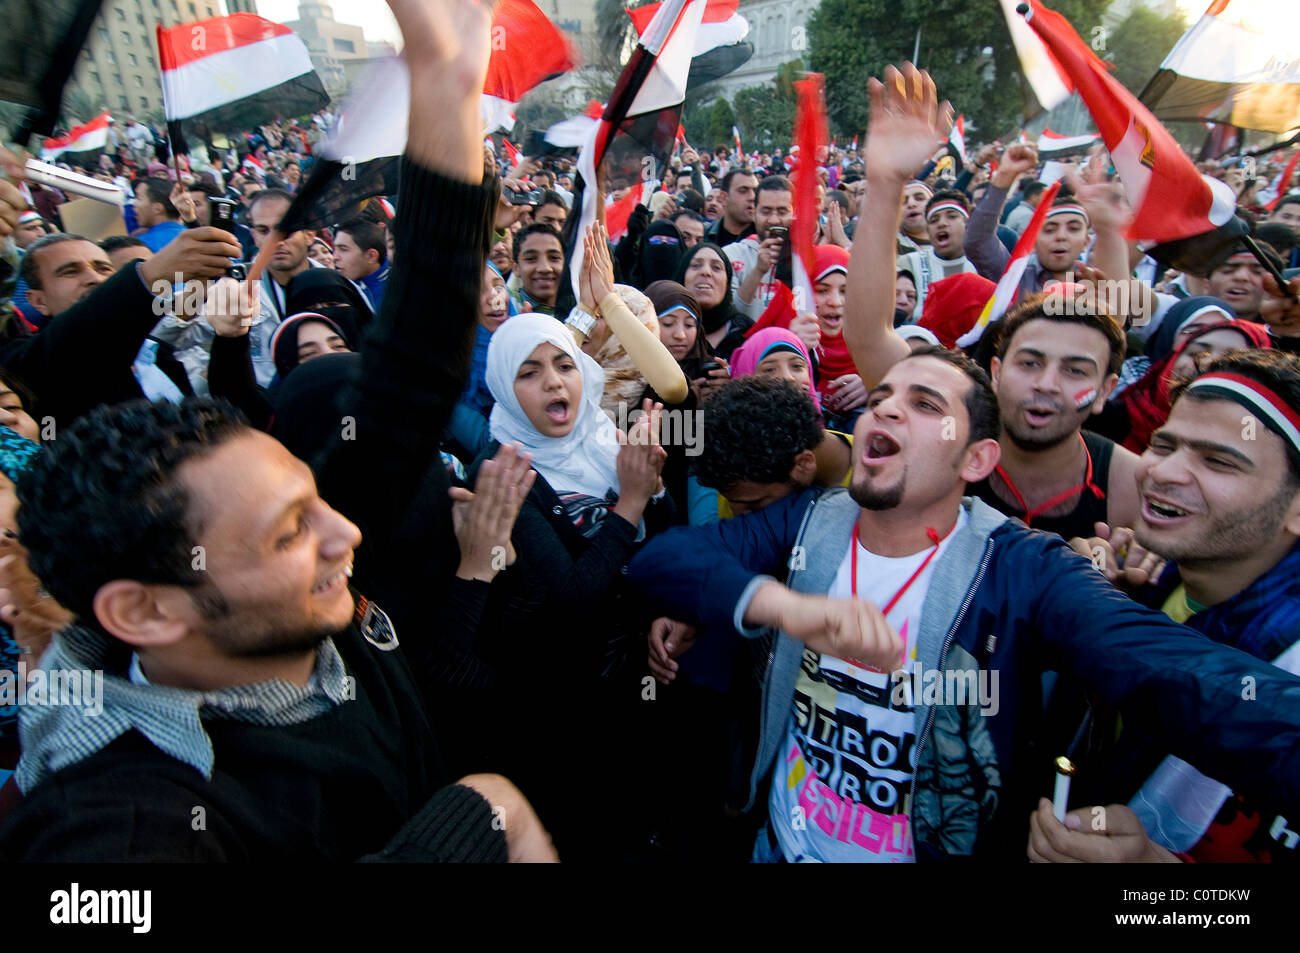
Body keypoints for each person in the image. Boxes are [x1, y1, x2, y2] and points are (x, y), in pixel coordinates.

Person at [0, 0, 558, 864]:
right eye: (292, 529)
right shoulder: (113, 825)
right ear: (145, 608)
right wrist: (477, 819)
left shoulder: (273, 582)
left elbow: (412, 368)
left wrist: (448, 89)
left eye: (310, 499)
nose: (346, 530)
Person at [1030, 349, 1300, 863]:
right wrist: (1098, 604)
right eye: (1164, 444)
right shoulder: (1144, 577)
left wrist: (1155, 870)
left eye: (1218, 460)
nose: (1164, 472)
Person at [897, 189, 978, 320]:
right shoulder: (909, 263)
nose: (942, 223)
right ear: (928, 231)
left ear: (967, 224)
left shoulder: (981, 266)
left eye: (952, 216)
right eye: (934, 220)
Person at [725, 174, 793, 320]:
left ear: (794, 214)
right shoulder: (731, 255)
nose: (774, 220)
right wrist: (759, 271)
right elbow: (731, 316)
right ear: (754, 213)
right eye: (766, 211)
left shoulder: (807, 259)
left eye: (782, 212)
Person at [674, 242, 753, 360]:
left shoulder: (748, 333)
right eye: (696, 265)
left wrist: (733, 375)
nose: (706, 272)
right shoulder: (659, 328)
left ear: (727, 282)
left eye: (716, 267)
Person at [332, 219, 389, 316]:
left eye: (343, 249)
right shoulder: (340, 289)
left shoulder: (401, 287)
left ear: (371, 256)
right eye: (334, 249)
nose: (335, 257)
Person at [509, 223, 563, 315]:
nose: (545, 268)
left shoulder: (578, 307)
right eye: (531, 259)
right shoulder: (504, 309)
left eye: (554, 257)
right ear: (516, 268)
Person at [703, 168, 758, 248]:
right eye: (743, 191)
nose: (752, 197)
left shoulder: (764, 238)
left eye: (755, 191)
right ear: (724, 198)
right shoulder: (703, 235)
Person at [132, 178, 186, 252]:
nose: (134, 205)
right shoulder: (194, 235)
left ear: (157, 208)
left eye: (138, 199)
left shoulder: (142, 245)